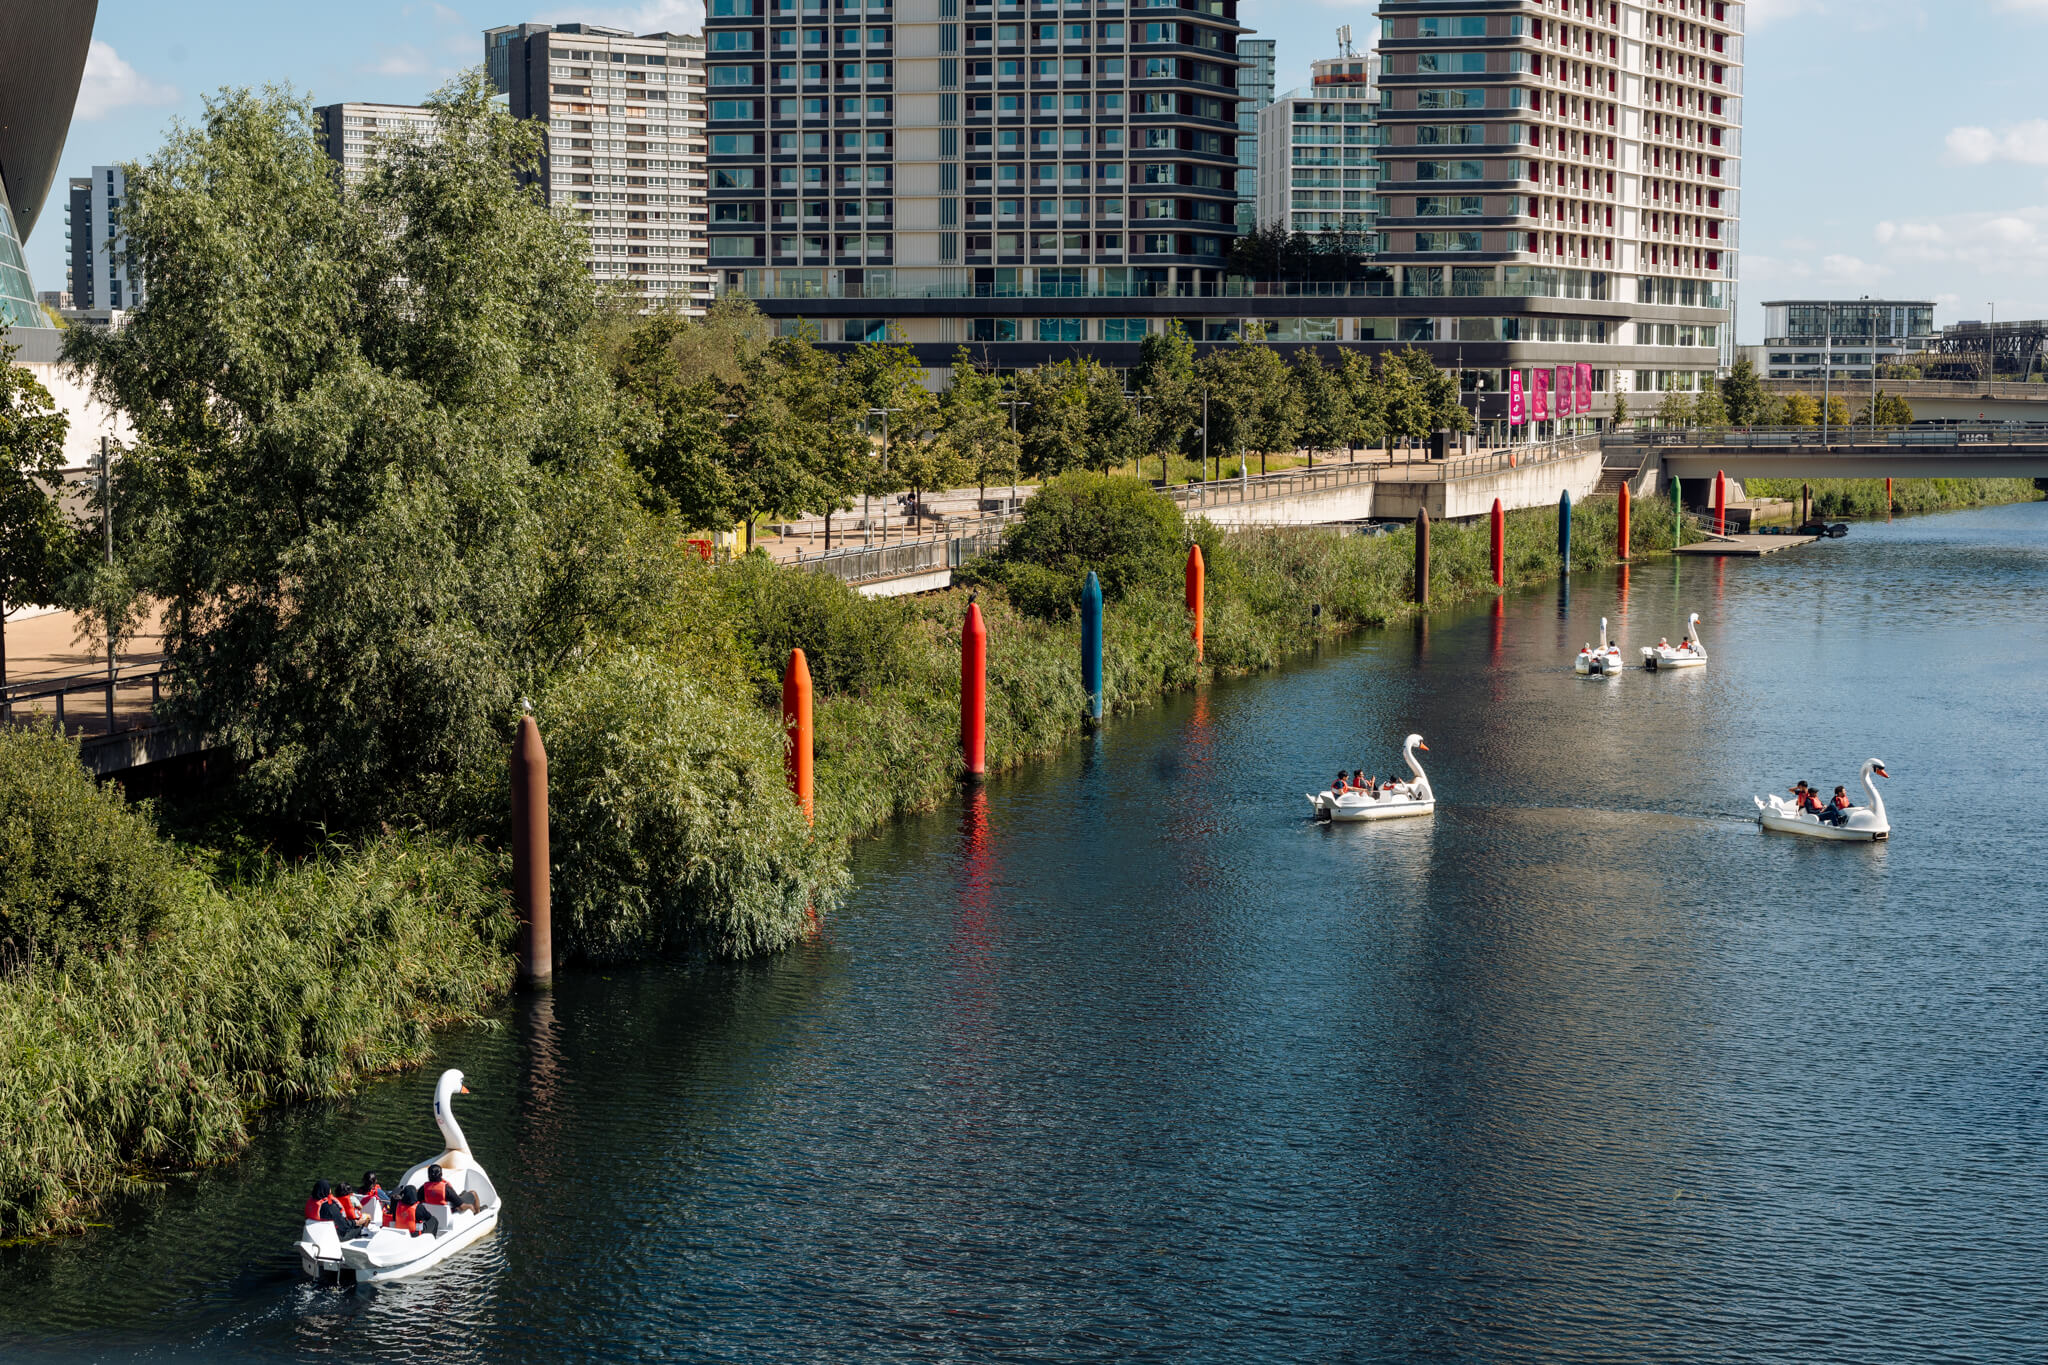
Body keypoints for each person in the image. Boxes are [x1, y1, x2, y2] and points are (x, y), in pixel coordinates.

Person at [418, 1164, 482, 1219]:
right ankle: (477, 1214)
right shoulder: (446, 1189)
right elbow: (461, 1207)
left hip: (432, 1214)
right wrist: (470, 1206)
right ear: (441, 1174)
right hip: (450, 1212)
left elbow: (418, 1202)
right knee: (473, 1193)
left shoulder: (423, 1188)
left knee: (462, 1194)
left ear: (429, 1175)